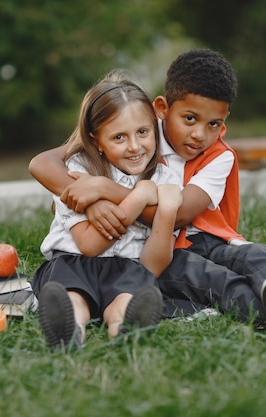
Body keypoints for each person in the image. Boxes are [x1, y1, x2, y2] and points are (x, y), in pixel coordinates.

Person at [29, 49, 266, 325]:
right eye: (190, 119)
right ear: (162, 111)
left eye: (213, 124)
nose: (199, 135)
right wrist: (91, 201)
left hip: (200, 238)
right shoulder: (137, 128)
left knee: (256, 256)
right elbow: (44, 163)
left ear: (224, 122)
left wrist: (106, 191)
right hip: (169, 250)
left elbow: (178, 214)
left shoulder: (217, 156)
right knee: (218, 281)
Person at [33, 69, 183, 351]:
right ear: (96, 140)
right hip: (73, 262)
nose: (135, 146)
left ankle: (126, 329)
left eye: (143, 132)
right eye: (119, 138)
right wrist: (139, 197)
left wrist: (168, 209)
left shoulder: (165, 180)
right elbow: (89, 244)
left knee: (127, 298)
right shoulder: (78, 172)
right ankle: (69, 329)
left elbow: (154, 264)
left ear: (154, 128)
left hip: (129, 267)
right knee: (71, 297)